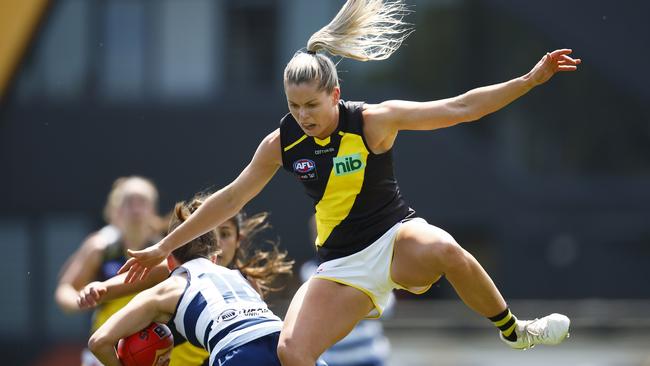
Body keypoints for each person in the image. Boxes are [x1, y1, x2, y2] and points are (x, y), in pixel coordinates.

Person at [118, 1, 582, 365]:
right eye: (294, 107)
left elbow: (460, 108)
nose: (303, 117)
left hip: (396, 238)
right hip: (341, 265)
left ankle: (516, 331)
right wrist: (164, 248)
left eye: (312, 107)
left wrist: (528, 80)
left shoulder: (375, 121)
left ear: (335, 95)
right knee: (290, 353)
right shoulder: (280, 143)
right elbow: (232, 197)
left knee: (446, 250)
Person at [87, 198, 322, 366]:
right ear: (214, 257)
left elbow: (99, 342)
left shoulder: (164, 291)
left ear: (169, 261)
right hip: (286, 345)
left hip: (238, 352)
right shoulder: (242, 278)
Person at [55, 176, 165, 366]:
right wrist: (80, 301)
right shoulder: (100, 247)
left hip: (153, 350)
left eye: (143, 202)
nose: (136, 209)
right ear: (116, 209)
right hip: (105, 349)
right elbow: (65, 288)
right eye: (129, 202)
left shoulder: (164, 249)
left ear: (153, 210)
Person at [299, 216, 393, 366]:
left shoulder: (367, 264)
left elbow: (387, 306)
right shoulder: (309, 272)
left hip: (370, 356)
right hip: (334, 360)